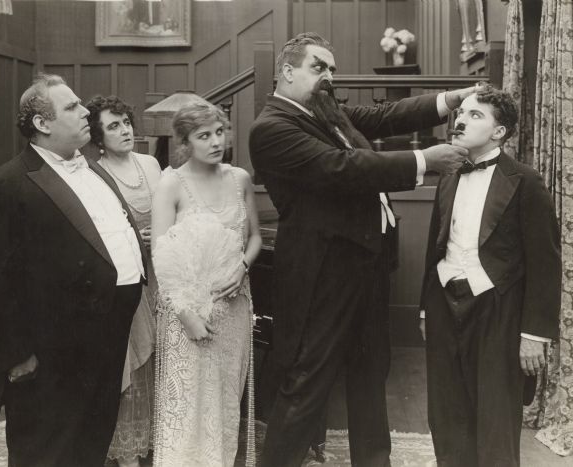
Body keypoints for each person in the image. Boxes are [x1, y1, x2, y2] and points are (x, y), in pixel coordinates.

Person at [248, 31, 477, 467]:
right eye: (319, 67)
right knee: (309, 377)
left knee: (371, 372)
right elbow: (342, 168)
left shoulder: (324, 110)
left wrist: (452, 99)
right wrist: (426, 161)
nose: (329, 76)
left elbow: (385, 114)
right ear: (287, 71)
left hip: (366, 262)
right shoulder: (271, 128)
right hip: (323, 272)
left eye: (332, 68)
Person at [0, 74, 148, 467]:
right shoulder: (5, 185)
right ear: (42, 123)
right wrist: (17, 355)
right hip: (50, 357)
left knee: (91, 447)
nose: (86, 111)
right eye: (71, 107)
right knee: (47, 454)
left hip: (107, 340)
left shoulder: (93, 168)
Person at [419, 87, 561, 467]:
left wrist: (533, 334)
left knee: (495, 417)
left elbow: (546, 263)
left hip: (498, 309)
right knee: (446, 413)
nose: (460, 120)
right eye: (460, 113)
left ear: (499, 132)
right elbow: (436, 246)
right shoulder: (449, 175)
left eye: (475, 115)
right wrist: (423, 309)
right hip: (445, 303)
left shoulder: (525, 181)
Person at [151, 102, 261, 466]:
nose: (216, 142)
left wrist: (242, 267)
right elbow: (161, 258)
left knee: (226, 402)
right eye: (204, 136)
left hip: (233, 307)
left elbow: (255, 237)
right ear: (184, 142)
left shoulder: (240, 178)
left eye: (220, 132)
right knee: (187, 405)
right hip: (187, 313)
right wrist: (186, 316)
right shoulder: (171, 183)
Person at [85, 95, 161, 467]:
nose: (124, 130)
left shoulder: (150, 163)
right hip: (127, 278)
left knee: (160, 356)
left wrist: (162, 232)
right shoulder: (94, 173)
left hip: (162, 272)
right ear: (99, 137)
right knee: (131, 361)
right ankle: (127, 452)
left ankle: (156, 443)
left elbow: (171, 211)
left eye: (125, 122)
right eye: (112, 126)